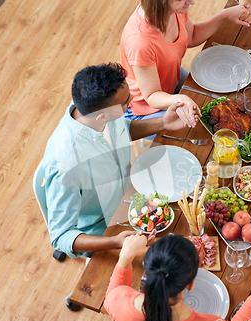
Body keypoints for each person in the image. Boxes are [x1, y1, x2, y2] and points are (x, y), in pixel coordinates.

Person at [41, 62, 200, 259]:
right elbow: (61, 236)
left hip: (134, 192)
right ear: (102, 117)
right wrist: (116, 241)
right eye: (126, 102)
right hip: (106, 226)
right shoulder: (66, 165)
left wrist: (163, 123)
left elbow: (121, 130)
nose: (133, 99)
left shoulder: (94, 112)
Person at [104, 233, 251, 321]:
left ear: (146, 269)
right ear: (190, 285)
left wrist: (125, 255)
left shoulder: (120, 302)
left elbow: (114, 292)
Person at [120, 0, 251, 121]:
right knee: (203, 124)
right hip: (146, 108)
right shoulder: (139, 42)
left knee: (218, 100)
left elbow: (192, 35)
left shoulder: (173, 10)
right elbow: (152, 96)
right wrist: (181, 99)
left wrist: (224, 15)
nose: (192, 2)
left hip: (170, 81)